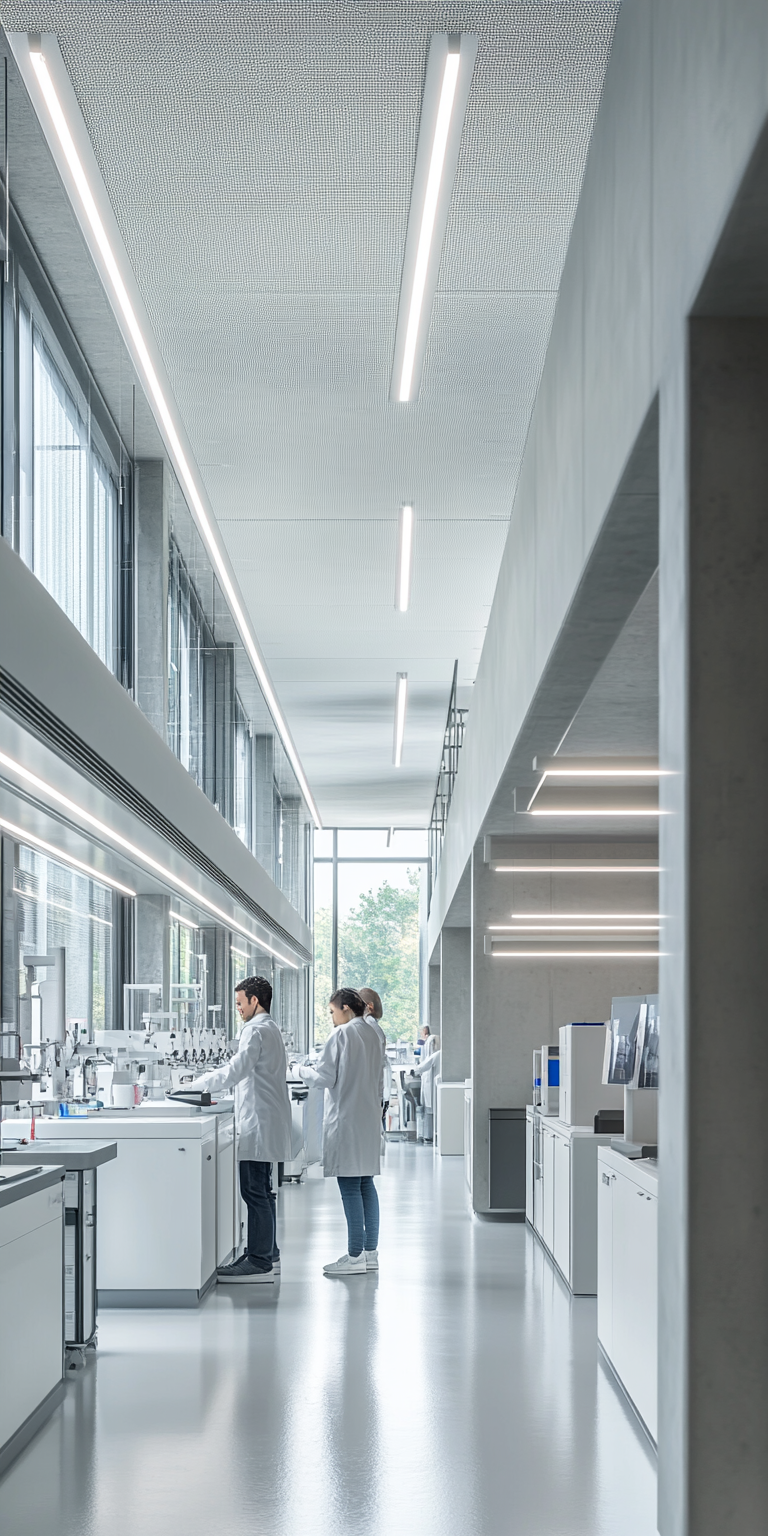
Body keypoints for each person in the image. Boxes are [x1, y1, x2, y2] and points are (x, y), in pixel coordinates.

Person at [190, 975, 292, 1284]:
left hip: (259, 1121)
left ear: (254, 1001)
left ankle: (259, 1261)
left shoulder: (255, 1030)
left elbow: (235, 1071)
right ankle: (267, 1252)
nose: (238, 1009)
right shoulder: (269, 1028)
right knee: (263, 1190)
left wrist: (195, 1086)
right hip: (266, 1118)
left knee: (253, 1190)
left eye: (239, 1003)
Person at [298, 988, 384, 1276]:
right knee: (365, 1185)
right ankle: (370, 1253)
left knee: (349, 1187)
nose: (332, 1018)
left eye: (332, 1012)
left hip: (346, 1120)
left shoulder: (341, 1034)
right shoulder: (374, 1033)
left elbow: (323, 1078)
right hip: (368, 1119)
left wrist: (299, 1070)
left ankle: (354, 1255)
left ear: (346, 1008)